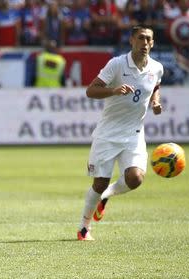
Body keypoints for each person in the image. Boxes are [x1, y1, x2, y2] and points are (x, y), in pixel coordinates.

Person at [77, 25, 164, 241]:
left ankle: (107, 196)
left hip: (134, 133)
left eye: (149, 39)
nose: (145, 43)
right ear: (131, 40)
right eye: (141, 38)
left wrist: (155, 101)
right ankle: (84, 227)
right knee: (99, 183)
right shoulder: (116, 64)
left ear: (153, 43)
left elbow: (155, 85)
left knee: (135, 179)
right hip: (108, 133)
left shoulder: (156, 67)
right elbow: (91, 90)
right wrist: (113, 90)